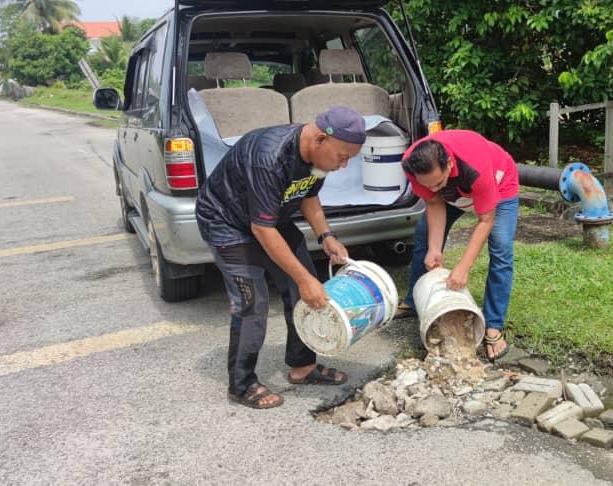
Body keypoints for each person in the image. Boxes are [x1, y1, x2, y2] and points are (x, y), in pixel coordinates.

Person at [195, 106, 365, 409]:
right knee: (253, 303)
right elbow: (262, 230)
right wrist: (304, 279)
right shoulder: (268, 158)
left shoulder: (317, 157)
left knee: (305, 292)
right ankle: (241, 383)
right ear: (320, 140)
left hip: (271, 219)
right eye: (342, 157)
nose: (343, 165)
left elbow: (308, 195)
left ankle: (302, 366)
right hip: (227, 222)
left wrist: (326, 236)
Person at [395, 130, 519, 362]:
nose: (432, 188)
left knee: (501, 247)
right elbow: (433, 202)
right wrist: (434, 248)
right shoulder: (412, 165)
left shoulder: (476, 168)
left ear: (449, 164)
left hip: (499, 184)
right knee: (424, 234)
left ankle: (493, 326)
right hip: (455, 192)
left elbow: (485, 220)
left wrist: (463, 267)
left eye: (437, 182)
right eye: (427, 185)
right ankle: (414, 300)